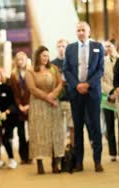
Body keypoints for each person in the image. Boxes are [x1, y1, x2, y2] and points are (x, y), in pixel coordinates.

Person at [63, 21, 105, 172]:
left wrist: (87, 84)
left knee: (95, 128)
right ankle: (79, 162)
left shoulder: (98, 47)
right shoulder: (70, 48)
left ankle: (97, 161)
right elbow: (66, 70)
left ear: (89, 31)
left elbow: (100, 70)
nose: (81, 32)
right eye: (78, 30)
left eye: (83, 30)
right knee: (78, 128)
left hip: (92, 92)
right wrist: (77, 85)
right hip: (76, 93)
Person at [26, 46, 65, 174]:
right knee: (39, 133)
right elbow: (32, 88)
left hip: (54, 104)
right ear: (37, 56)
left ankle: (55, 163)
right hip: (39, 105)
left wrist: (53, 95)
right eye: (43, 56)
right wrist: (47, 97)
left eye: (47, 56)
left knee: (55, 132)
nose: (46, 58)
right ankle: (40, 163)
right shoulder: (31, 70)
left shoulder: (53, 68)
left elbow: (60, 83)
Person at [0, 69, 18, 170]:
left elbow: (13, 103)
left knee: (6, 139)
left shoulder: (7, 88)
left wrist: (7, 112)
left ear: (0, 77)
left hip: (8, 118)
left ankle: (11, 159)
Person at [52, 38, 74, 147]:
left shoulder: (73, 62)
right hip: (57, 100)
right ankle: (59, 149)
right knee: (58, 126)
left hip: (71, 98)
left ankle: (73, 149)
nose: (61, 49)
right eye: (59, 46)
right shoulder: (52, 64)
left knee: (72, 126)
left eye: (63, 46)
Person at [9, 52, 31, 164]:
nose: (20, 61)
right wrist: (20, 106)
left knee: (31, 132)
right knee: (21, 133)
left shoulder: (31, 72)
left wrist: (28, 105)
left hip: (30, 106)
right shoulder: (13, 75)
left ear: (26, 60)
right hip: (20, 108)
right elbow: (14, 93)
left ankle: (31, 154)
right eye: (18, 59)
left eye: (22, 59)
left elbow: (32, 90)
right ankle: (23, 157)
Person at [101, 39, 119, 161]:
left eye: (110, 46)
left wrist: (118, 92)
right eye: (106, 46)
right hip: (107, 97)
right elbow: (100, 80)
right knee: (109, 125)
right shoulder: (102, 62)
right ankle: (112, 153)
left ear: (116, 46)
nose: (107, 48)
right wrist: (111, 92)